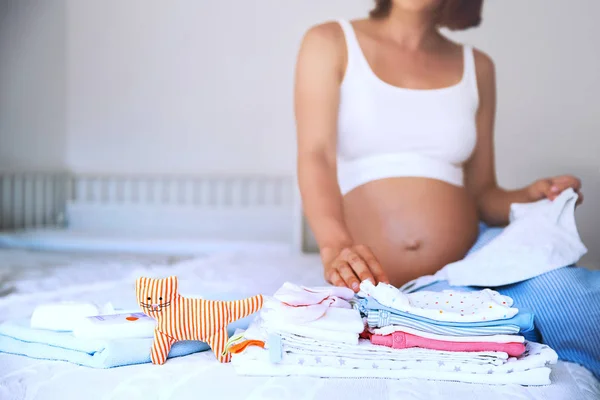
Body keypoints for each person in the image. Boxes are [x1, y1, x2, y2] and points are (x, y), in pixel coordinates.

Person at [294, 0, 598, 378]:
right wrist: (334, 245)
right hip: (371, 283)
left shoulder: (478, 66)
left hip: (468, 269)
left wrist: (532, 194)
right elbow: (316, 156)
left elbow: (484, 193)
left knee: (575, 298)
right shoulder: (329, 42)